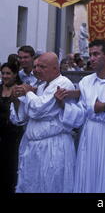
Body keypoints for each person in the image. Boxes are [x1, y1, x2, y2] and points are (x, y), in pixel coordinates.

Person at [56, 39, 105, 193]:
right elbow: (82, 112)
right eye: (90, 55)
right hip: (89, 134)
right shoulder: (85, 81)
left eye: (96, 54)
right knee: (86, 175)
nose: (92, 58)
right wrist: (64, 105)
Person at [10, 52, 76, 193]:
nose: (37, 70)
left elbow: (39, 109)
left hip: (53, 146)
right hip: (34, 147)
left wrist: (28, 92)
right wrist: (17, 99)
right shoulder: (40, 86)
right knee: (32, 185)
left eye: (42, 66)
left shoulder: (63, 83)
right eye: (36, 66)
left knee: (51, 185)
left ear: (55, 68)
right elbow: (23, 117)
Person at [0, 62, 24, 193]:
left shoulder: (19, 90)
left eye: (8, 73)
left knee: (10, 168)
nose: (5, 76)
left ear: (15, 74)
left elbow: (21, 114)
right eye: (3, 73)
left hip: (13, 137)